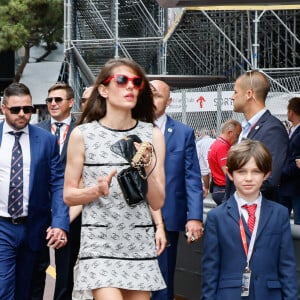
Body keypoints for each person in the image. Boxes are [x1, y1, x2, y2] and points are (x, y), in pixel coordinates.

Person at [63, 58, 166, 300]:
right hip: (99, 244)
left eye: (136, 82)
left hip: (139, 243)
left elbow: (158, 201)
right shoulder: (82, 135)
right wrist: (95, 191)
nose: (130, 86)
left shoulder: (151, 134)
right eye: (121, 80)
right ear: (103, 89)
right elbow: (68, 194)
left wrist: (148, 169)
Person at [202, 139, 298, 300]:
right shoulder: (216, 217)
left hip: (270, 295)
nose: (248, 178)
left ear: (266, 174)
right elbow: (210, 270)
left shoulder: (280, 214)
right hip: (229, 295)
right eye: (241, 171)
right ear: (230, 174)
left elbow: (287, 266)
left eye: (255, 171)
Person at [0, 82, 69, 300]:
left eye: (27, 109)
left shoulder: (47, 141)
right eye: (15, 109)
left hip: (33, 228)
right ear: (3, 108)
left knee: (28, 288)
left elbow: (58, 183)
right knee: (3, 287)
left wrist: (59, 222)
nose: (22, 114)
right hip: (2, 226)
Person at [150, 79, 204, 300]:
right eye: (148, 94)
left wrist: (195, 217)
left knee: (163, 280)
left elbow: (192, 178)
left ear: (169, 101)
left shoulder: (183, 133)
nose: (152, 100)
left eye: (157, 95)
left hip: (168, 216)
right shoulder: (128, 128)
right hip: (131, 219)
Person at [31, 83, 80, 300]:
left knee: (65, 271)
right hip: (38, 210)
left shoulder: (83, 132)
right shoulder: (35, 131)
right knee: (35, 266)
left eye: (58, 100)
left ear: (71, 102)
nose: (52, 104)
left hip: (72, 211)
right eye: (49, 100)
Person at [228, 70, 289, 201]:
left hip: (256, 214)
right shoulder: (246, 128)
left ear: (249, 94)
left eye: (235, 92)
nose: (232, 97)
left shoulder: (272, 129)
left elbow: (269, 178)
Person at [207, 119, 241, 205]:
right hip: (223, 189)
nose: (237, 139)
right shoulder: (222, 146)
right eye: (237, 135)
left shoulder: (216, 144)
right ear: (230, 133)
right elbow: (228, 172)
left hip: (218, 188)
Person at [279, 97, 300, 224]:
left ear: (291, 112)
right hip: (287, 185)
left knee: (298, 224)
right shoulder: (292, 130)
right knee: (280, 221)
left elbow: (296, 159)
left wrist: (281, 174)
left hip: (295, 186)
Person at [196, 128, 215, 198]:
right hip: (213, 164)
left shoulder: (199, 143)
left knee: (204, 172)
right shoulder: (214, 140)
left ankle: (207, 189)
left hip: (204, 163)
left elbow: (197, 156)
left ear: (201, 134)